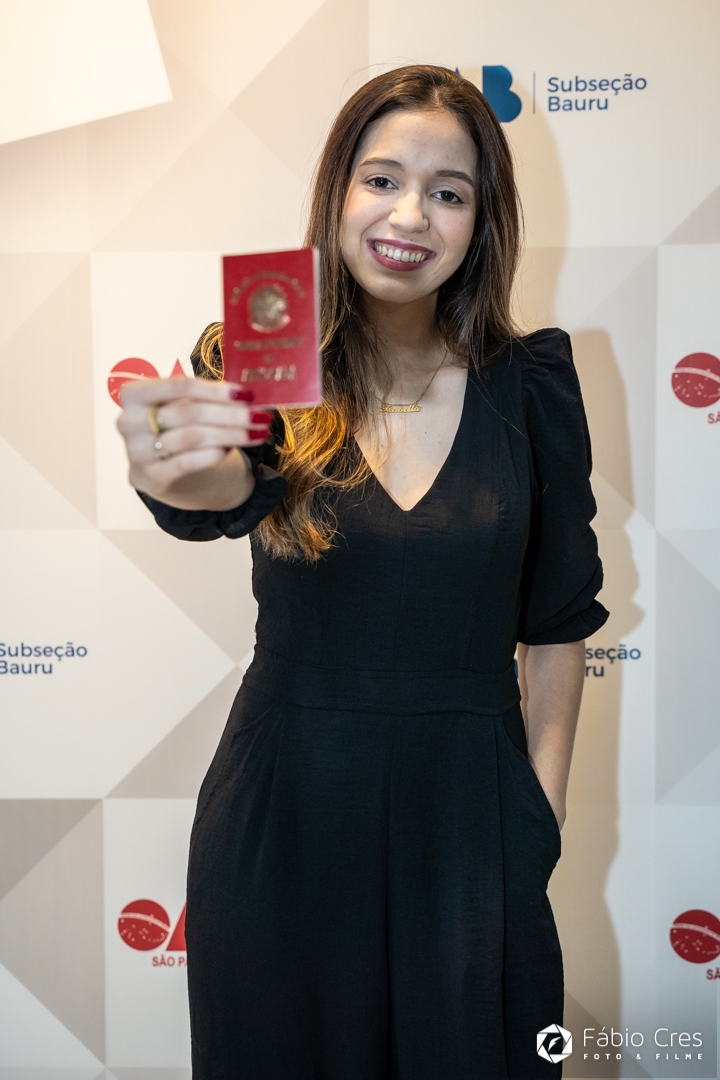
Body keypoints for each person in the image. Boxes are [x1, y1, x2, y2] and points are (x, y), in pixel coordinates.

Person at [117, 65, 608, 1080]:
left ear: (482, 219)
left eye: (447, 191)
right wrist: (179, 468)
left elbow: (558, 622)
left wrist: (541, 812)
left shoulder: (531, 384)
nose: (409, 215)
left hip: (471, 820)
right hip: (287, 814)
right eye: (381, 180)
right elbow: (226, 489)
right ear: (337, 190)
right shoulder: (264, 349)